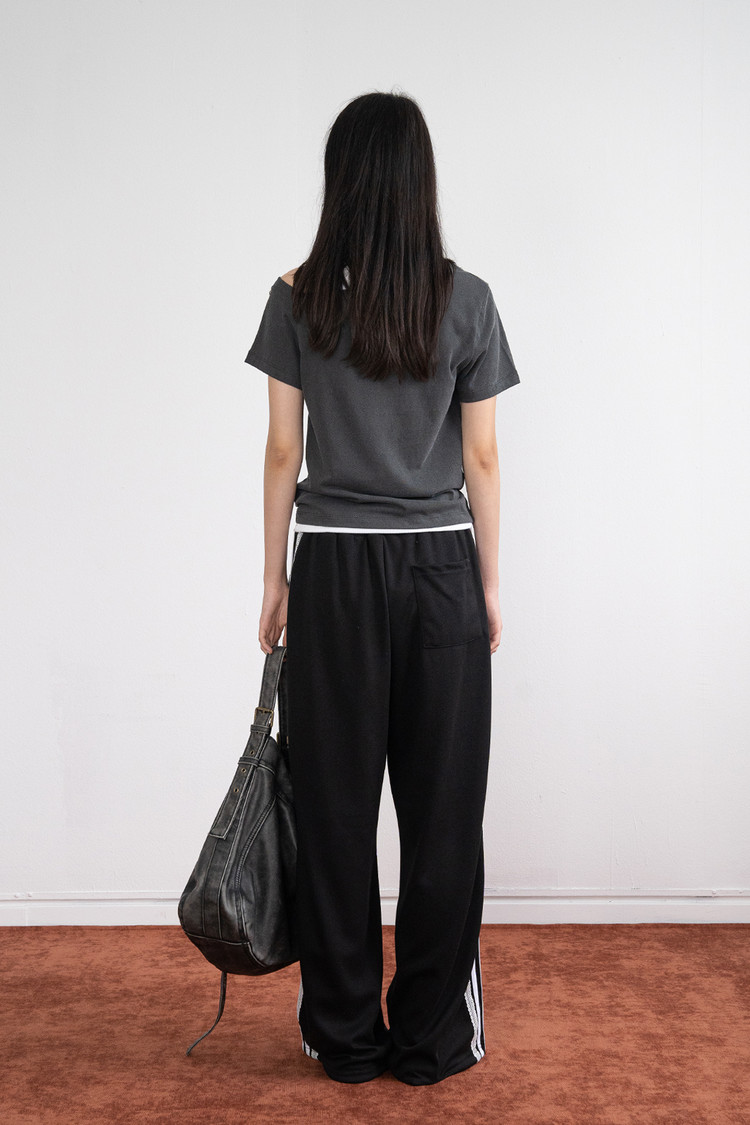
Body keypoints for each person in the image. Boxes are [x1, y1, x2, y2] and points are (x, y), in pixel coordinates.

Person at [245, 91, 520, 1087]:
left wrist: (273, 578)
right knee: (443, 816)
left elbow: (284, 449)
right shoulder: (468, 299)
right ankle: (434, 1037)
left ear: (342, 182)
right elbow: (480, 459)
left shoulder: (297, 297)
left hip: (331, 572)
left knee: (334, 811)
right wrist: (490, 585)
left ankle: (345, 1035)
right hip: (441, 569)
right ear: (419, 183)